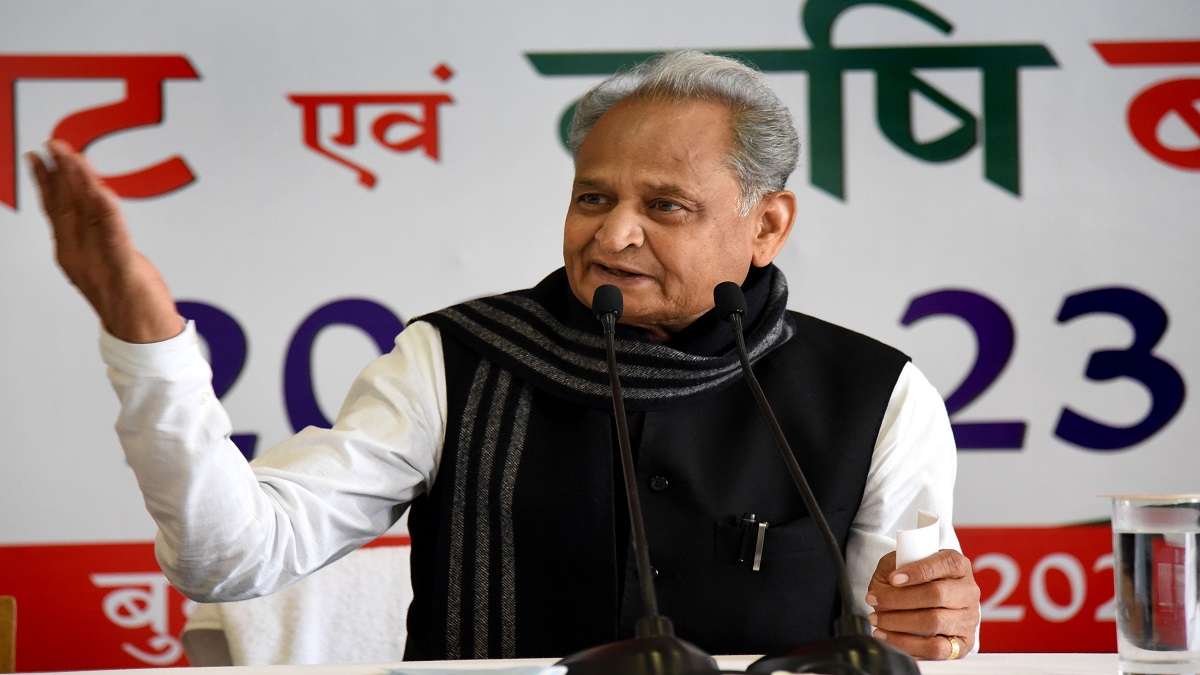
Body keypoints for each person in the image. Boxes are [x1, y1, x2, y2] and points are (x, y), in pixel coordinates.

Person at [27, 51, 981, 661]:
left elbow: (904, 638)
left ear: (765, 225)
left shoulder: (875, 394)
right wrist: (145, 336)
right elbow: (226, 557)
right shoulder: (456, 359)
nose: (615, 236)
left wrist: (936, 626)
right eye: (595, 197)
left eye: (666, 206)